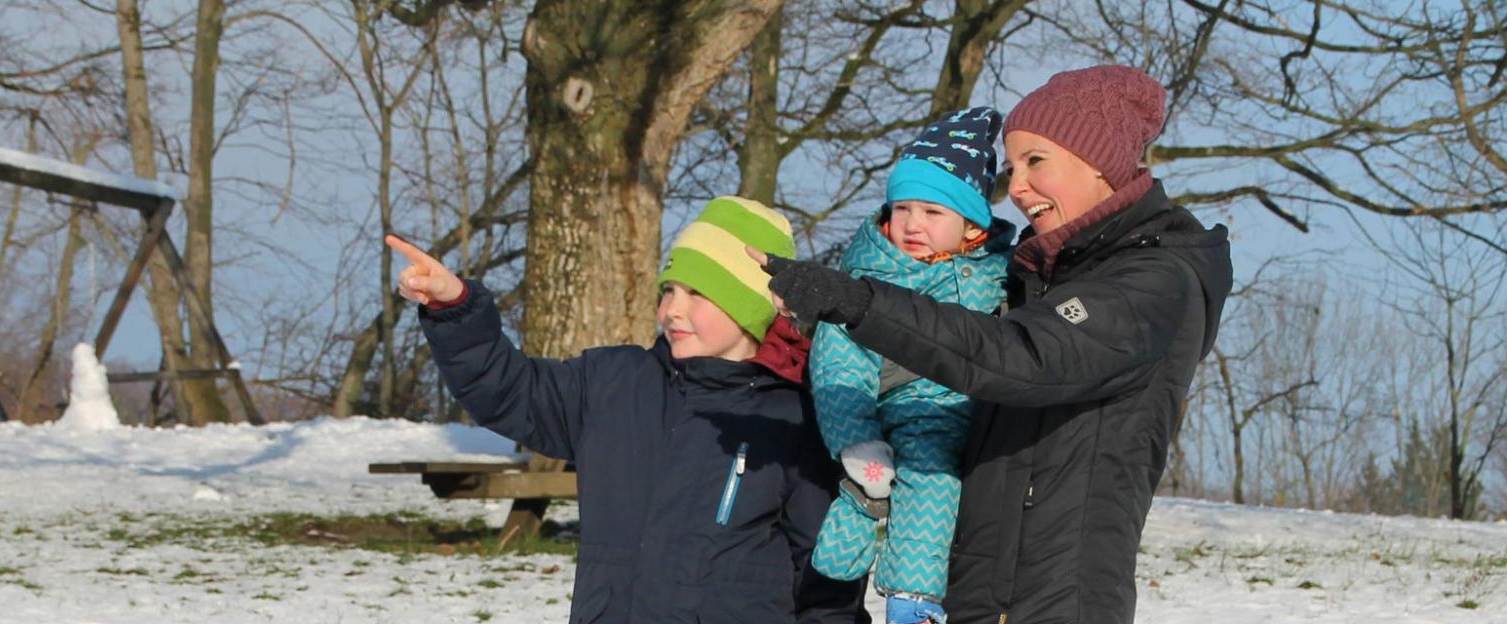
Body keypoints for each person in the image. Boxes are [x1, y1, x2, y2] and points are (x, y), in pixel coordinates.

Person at [748, 65, 1233, 624]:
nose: (1017, 187)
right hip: (978, 594)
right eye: (1010, 167)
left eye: (1035, 162)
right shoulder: (1036, 273)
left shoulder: (1152, 280)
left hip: (1052, 603)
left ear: (1099, 161)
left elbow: (1023, 356)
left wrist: (861, 303)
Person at [388, 196, 870, 624]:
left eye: (698, 293)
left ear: (749, 306)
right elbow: (509, 390)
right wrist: (456, 310)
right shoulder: (613, 384)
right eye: (669, 290)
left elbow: (825, 570)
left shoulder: (791, 416)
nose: (673, 310)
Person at [808, 107, 1013, 624]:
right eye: (903, 209)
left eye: (932, 212)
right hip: (894, 398)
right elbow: (841, 360)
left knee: (935, 470)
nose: (912, 225)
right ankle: (865, 470)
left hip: (962, 408)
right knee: (924, 465)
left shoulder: (996, 276)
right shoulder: (869, 271)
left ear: (971, 227)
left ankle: (902, 583)